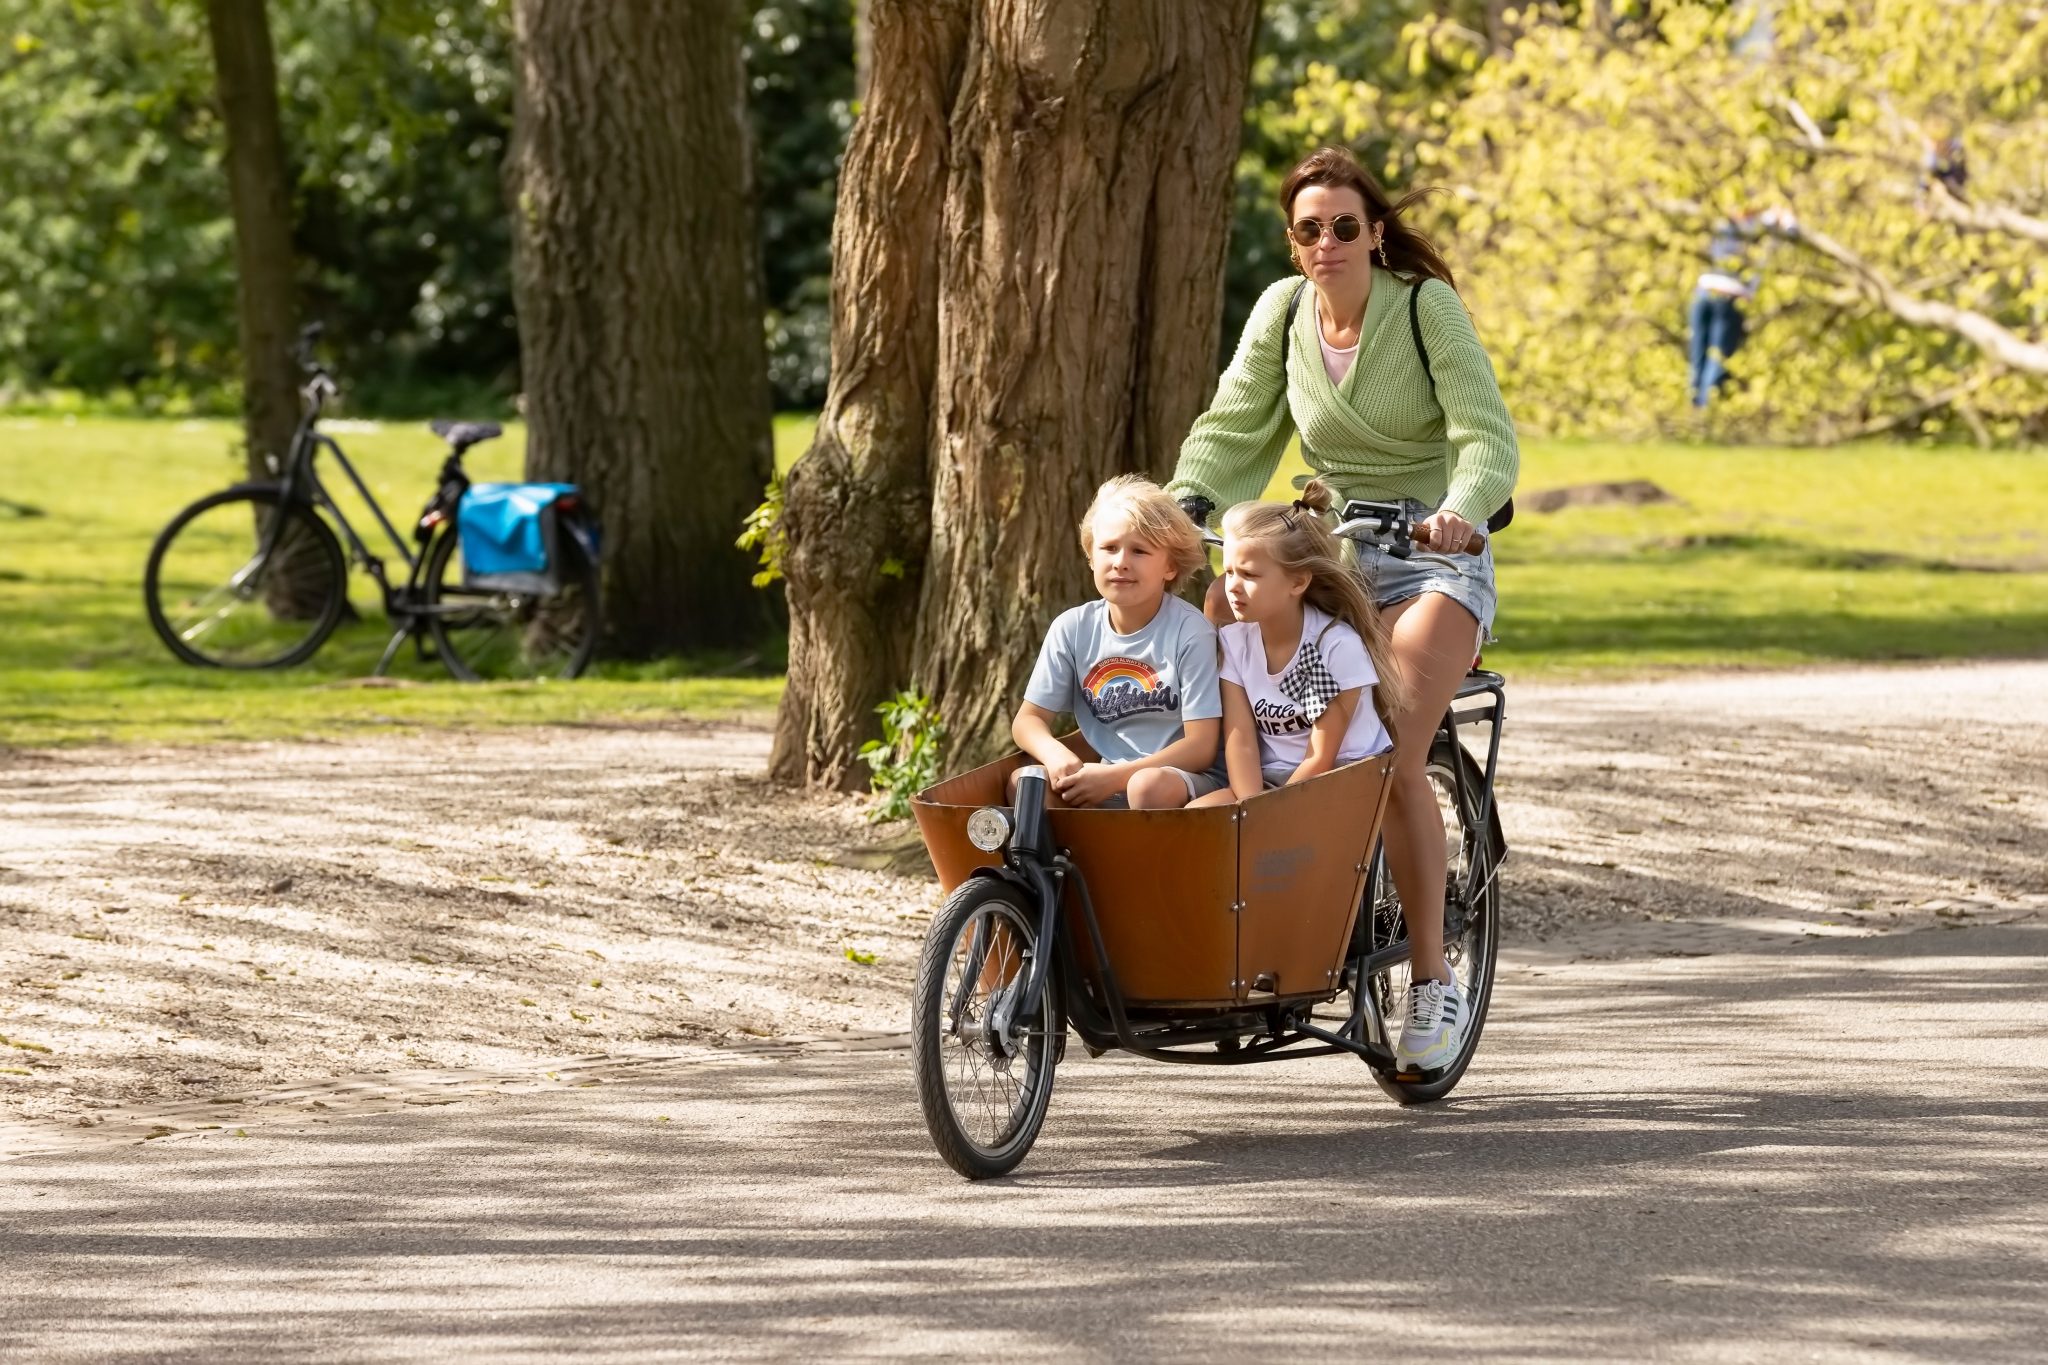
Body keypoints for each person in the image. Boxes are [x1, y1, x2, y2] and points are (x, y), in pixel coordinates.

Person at [1166, 144, 1517, 1070]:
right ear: (1293, 245)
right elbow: (1235, 419)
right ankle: (1234, 881)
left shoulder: (1421, 308)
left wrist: (1459, 512)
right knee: (1217, 621)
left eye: (1346, 227)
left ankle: (1434, 983)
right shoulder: (1283, 315)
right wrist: (1184, 505)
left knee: (1388, 746)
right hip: (1335, 559)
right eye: (1310, 229)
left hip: (1433, 563)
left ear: (1375, 233)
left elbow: (1486, 434)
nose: (1329, 242)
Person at [1012, 475, 1226, 811]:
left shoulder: (1190, 632)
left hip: (1179, 780)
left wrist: (1116, 778)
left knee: (1145, 787)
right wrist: (1056, 756)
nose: (1121, 561)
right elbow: (1028, 720)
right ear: (1091, 557)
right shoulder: (1072, 629)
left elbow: (1201, 747)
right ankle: (1066, 862)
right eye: (1109, 548)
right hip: (1103, 775)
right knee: (1025, 783)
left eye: (1139, 550)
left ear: (1170, 566)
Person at [1189, 478, 1404, 801]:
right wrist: (1249, 808)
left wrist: (1270, 814)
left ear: (1298, 582)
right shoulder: (1235, 641)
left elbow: (1320, 756)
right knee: (1198, 823)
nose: (1232, 586)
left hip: (1337, 777)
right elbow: (1241, 738)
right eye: (1229, 571)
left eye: (1249, 575)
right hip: (1268, 780)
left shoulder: (1327, 646)